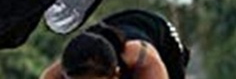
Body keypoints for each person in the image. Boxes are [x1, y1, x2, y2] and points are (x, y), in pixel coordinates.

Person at [40, 9, 190, 79]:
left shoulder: (144, 61)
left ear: (115, 75)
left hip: (160, 35)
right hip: (114, 27)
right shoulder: (57, 73)